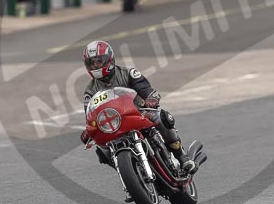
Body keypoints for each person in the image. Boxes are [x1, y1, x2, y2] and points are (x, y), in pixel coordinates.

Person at [80, 39, 197, 174]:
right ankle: (127, 171)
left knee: (161, 117)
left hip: (137, 112)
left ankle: (181, 156)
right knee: (101, 149)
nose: (96, 65)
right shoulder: (90, 91)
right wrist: (89, 130)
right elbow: (91, 115)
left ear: (109, 59)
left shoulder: (127, 73)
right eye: (92, 63)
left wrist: (150, 98)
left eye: (99, 61)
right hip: (114, 123)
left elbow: (144, 88)